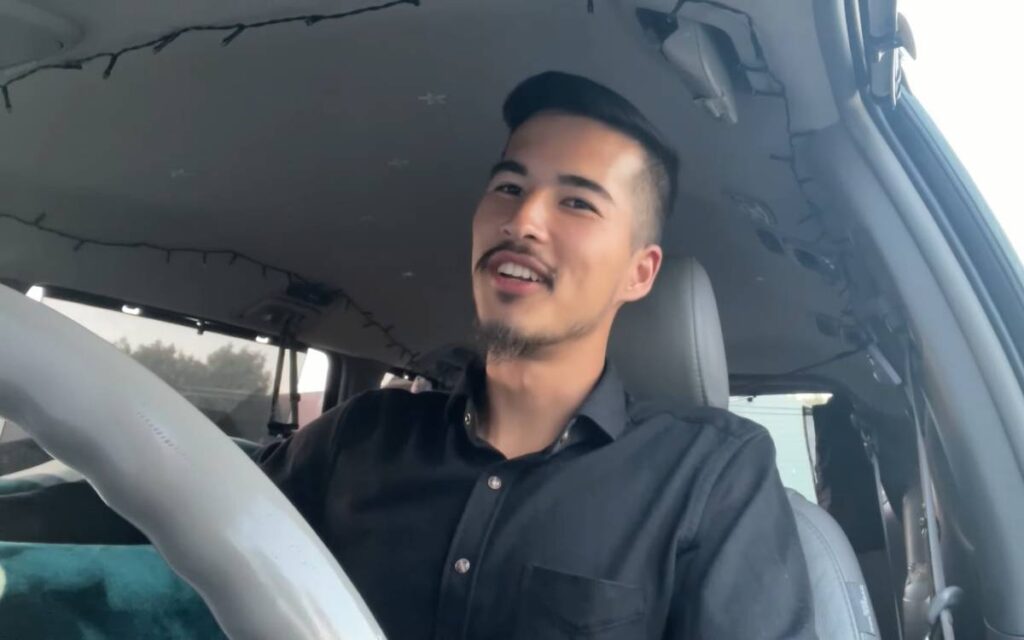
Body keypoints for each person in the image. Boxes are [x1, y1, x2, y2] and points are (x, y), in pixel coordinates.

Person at [257, 71, 816, 639]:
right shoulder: (358, 438)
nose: (522, 221)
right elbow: (191, 526)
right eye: (508, 188)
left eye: (577, 202)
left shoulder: (711, 474)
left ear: (638, 272)